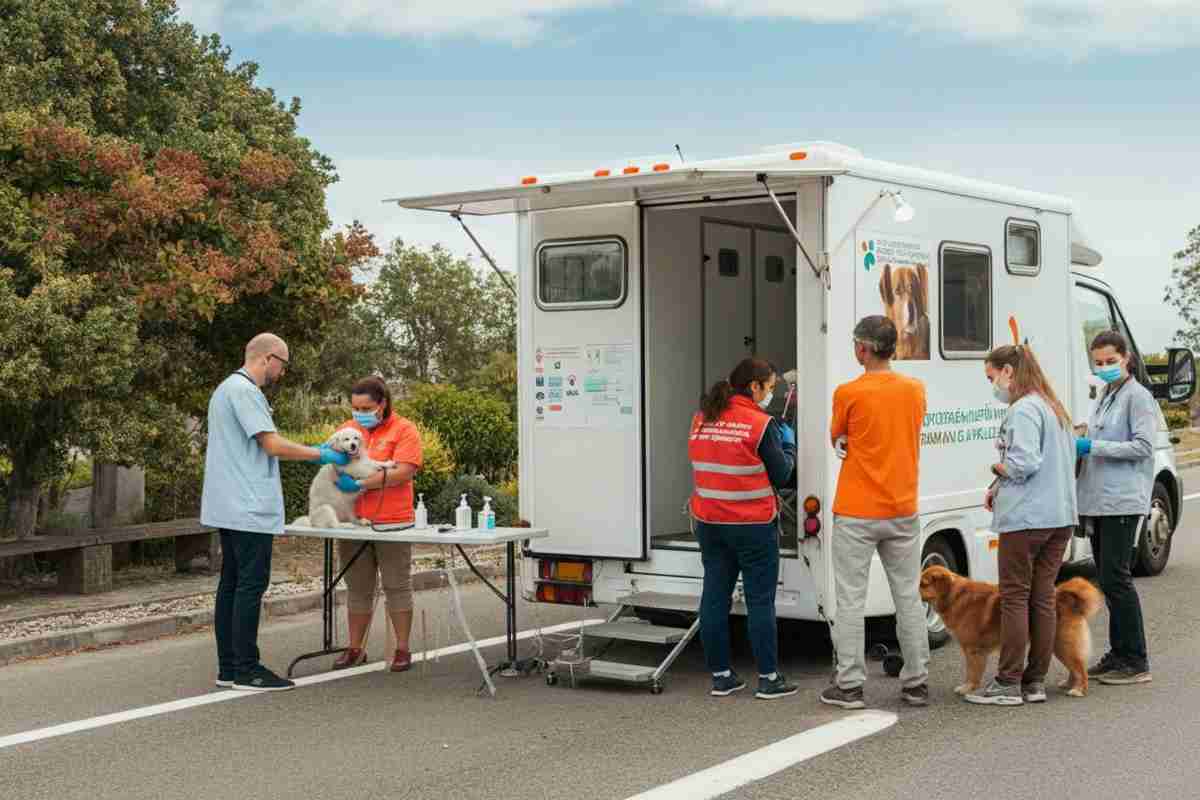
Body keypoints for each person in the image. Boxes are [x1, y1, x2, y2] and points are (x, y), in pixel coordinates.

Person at [201, 333, 351, 692]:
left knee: (232, 585)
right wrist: (321, 454)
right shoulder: (245, 391)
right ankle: (247, 669)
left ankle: (229, 667)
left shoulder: (224, 390)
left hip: (228, 504)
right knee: (250, 585)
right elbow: (270, 444)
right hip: (247, 505)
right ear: (268, 358)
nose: (282, 373)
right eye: (282, 365)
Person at [820, 316, 931, 710]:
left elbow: (837, 435)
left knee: (851, 599)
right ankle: (916, 682)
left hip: (856, 509)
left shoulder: (848, 393)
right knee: (908, 596)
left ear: (863, 349)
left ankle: (849, 686)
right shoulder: (915, 390)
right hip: (902, 507)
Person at [967, 343, 1078, 706]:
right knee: (1043, 596)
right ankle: (1034, 682)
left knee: (1015, 595)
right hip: (1060, 516)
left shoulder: (1023, 409)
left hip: (1027, 519)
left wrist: (1000, 471)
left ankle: (1007, 682)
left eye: (991, 377)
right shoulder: (1052, 406)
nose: (992, 385)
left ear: (1008, 372)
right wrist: (997, 487)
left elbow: (1024, 462)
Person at [689, 357, 797, 699]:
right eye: (769, 387)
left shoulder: (702, 417)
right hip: (752, 525)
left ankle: (721, 676)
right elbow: (783, 476)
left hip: (710, 523)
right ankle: (768, 678)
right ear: (754, 387)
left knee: (714, 597)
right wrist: (789, 446)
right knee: (760, 601)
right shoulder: (760, 424)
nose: (770, 393)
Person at [1076, 330, 1155, 686]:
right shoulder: (1107, 394)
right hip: (1101, 500)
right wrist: (1084, 434)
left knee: (1117, 578)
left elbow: (1142, 447)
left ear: (1127, 358)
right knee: (1108, 580)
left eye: (1111, 361)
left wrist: (1094, 445)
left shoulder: (1138, 397)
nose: (1105, 367)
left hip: (1122, 500)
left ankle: (1135, 659)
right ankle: (1118, 653)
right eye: (1099, 362)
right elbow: (1101, 436)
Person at [330, 376, 424, 672]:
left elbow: (403, 472)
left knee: (397, 585)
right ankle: (355, 648)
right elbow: (332, 464)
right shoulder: (348, 430)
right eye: (355, 407)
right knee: (357, 587)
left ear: (382, 404)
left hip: (392, 523)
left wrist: (362, 483)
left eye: (366, 407)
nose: (359, 413)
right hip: (354, 522)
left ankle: (402, 649)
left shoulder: (404, 429)